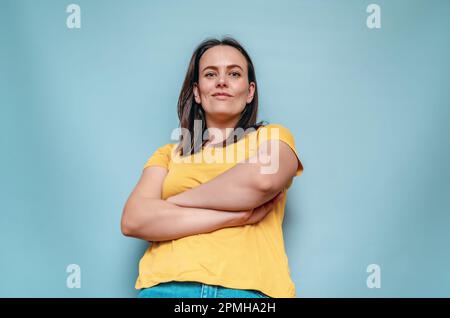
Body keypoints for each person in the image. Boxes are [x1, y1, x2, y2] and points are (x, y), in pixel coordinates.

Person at [121, 36, 304, 298]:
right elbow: (133, 220)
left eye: (234, 73)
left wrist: (172, 204)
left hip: (246, 292)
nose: (222, 81)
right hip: (168, 288)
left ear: (250, 91)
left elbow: (261, 181)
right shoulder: (169, 154)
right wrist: (234, 216)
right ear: (197, 91)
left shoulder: (272, 137)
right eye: (210, 74)